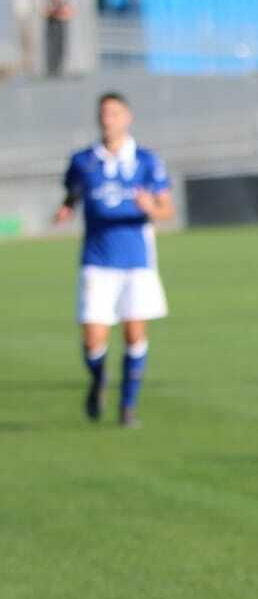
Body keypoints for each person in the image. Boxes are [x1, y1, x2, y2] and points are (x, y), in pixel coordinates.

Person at [55, 93, 175, 427]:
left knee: (135, 334)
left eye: (115, 113)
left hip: (137, 262)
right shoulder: (83, 160)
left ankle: (128, 407)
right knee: (93, 338)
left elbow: (167, 209)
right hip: (97, 260)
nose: (108, 119)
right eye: (104, 113)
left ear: (128, 118)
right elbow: (73, 191)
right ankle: (98, 380)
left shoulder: (146, 161)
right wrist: (66, 208)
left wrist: (151, 208)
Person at [44, 0, 74, 78]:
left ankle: (61, 68)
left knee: (61, 48)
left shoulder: (64, 2)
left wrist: (59, 12)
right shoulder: (49, 3)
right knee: (52, 49)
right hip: (52, 27)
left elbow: (69, 13)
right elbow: (46, 13)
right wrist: (54, 12)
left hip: (61, 27)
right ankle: (52, 69)